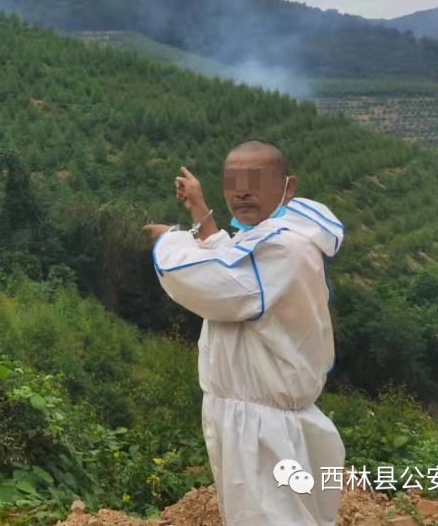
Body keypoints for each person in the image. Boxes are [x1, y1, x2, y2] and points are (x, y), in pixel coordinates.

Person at [143, 140, 345, 526]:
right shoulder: (272, 237)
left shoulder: (284, 248)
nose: (242, 190)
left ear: (288, 186)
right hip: (253, 415)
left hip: (262, 427)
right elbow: (233, 261)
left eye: (257, 179)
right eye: (233, 181)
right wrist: (200, 213)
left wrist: (171, 239)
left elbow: (210, 280)